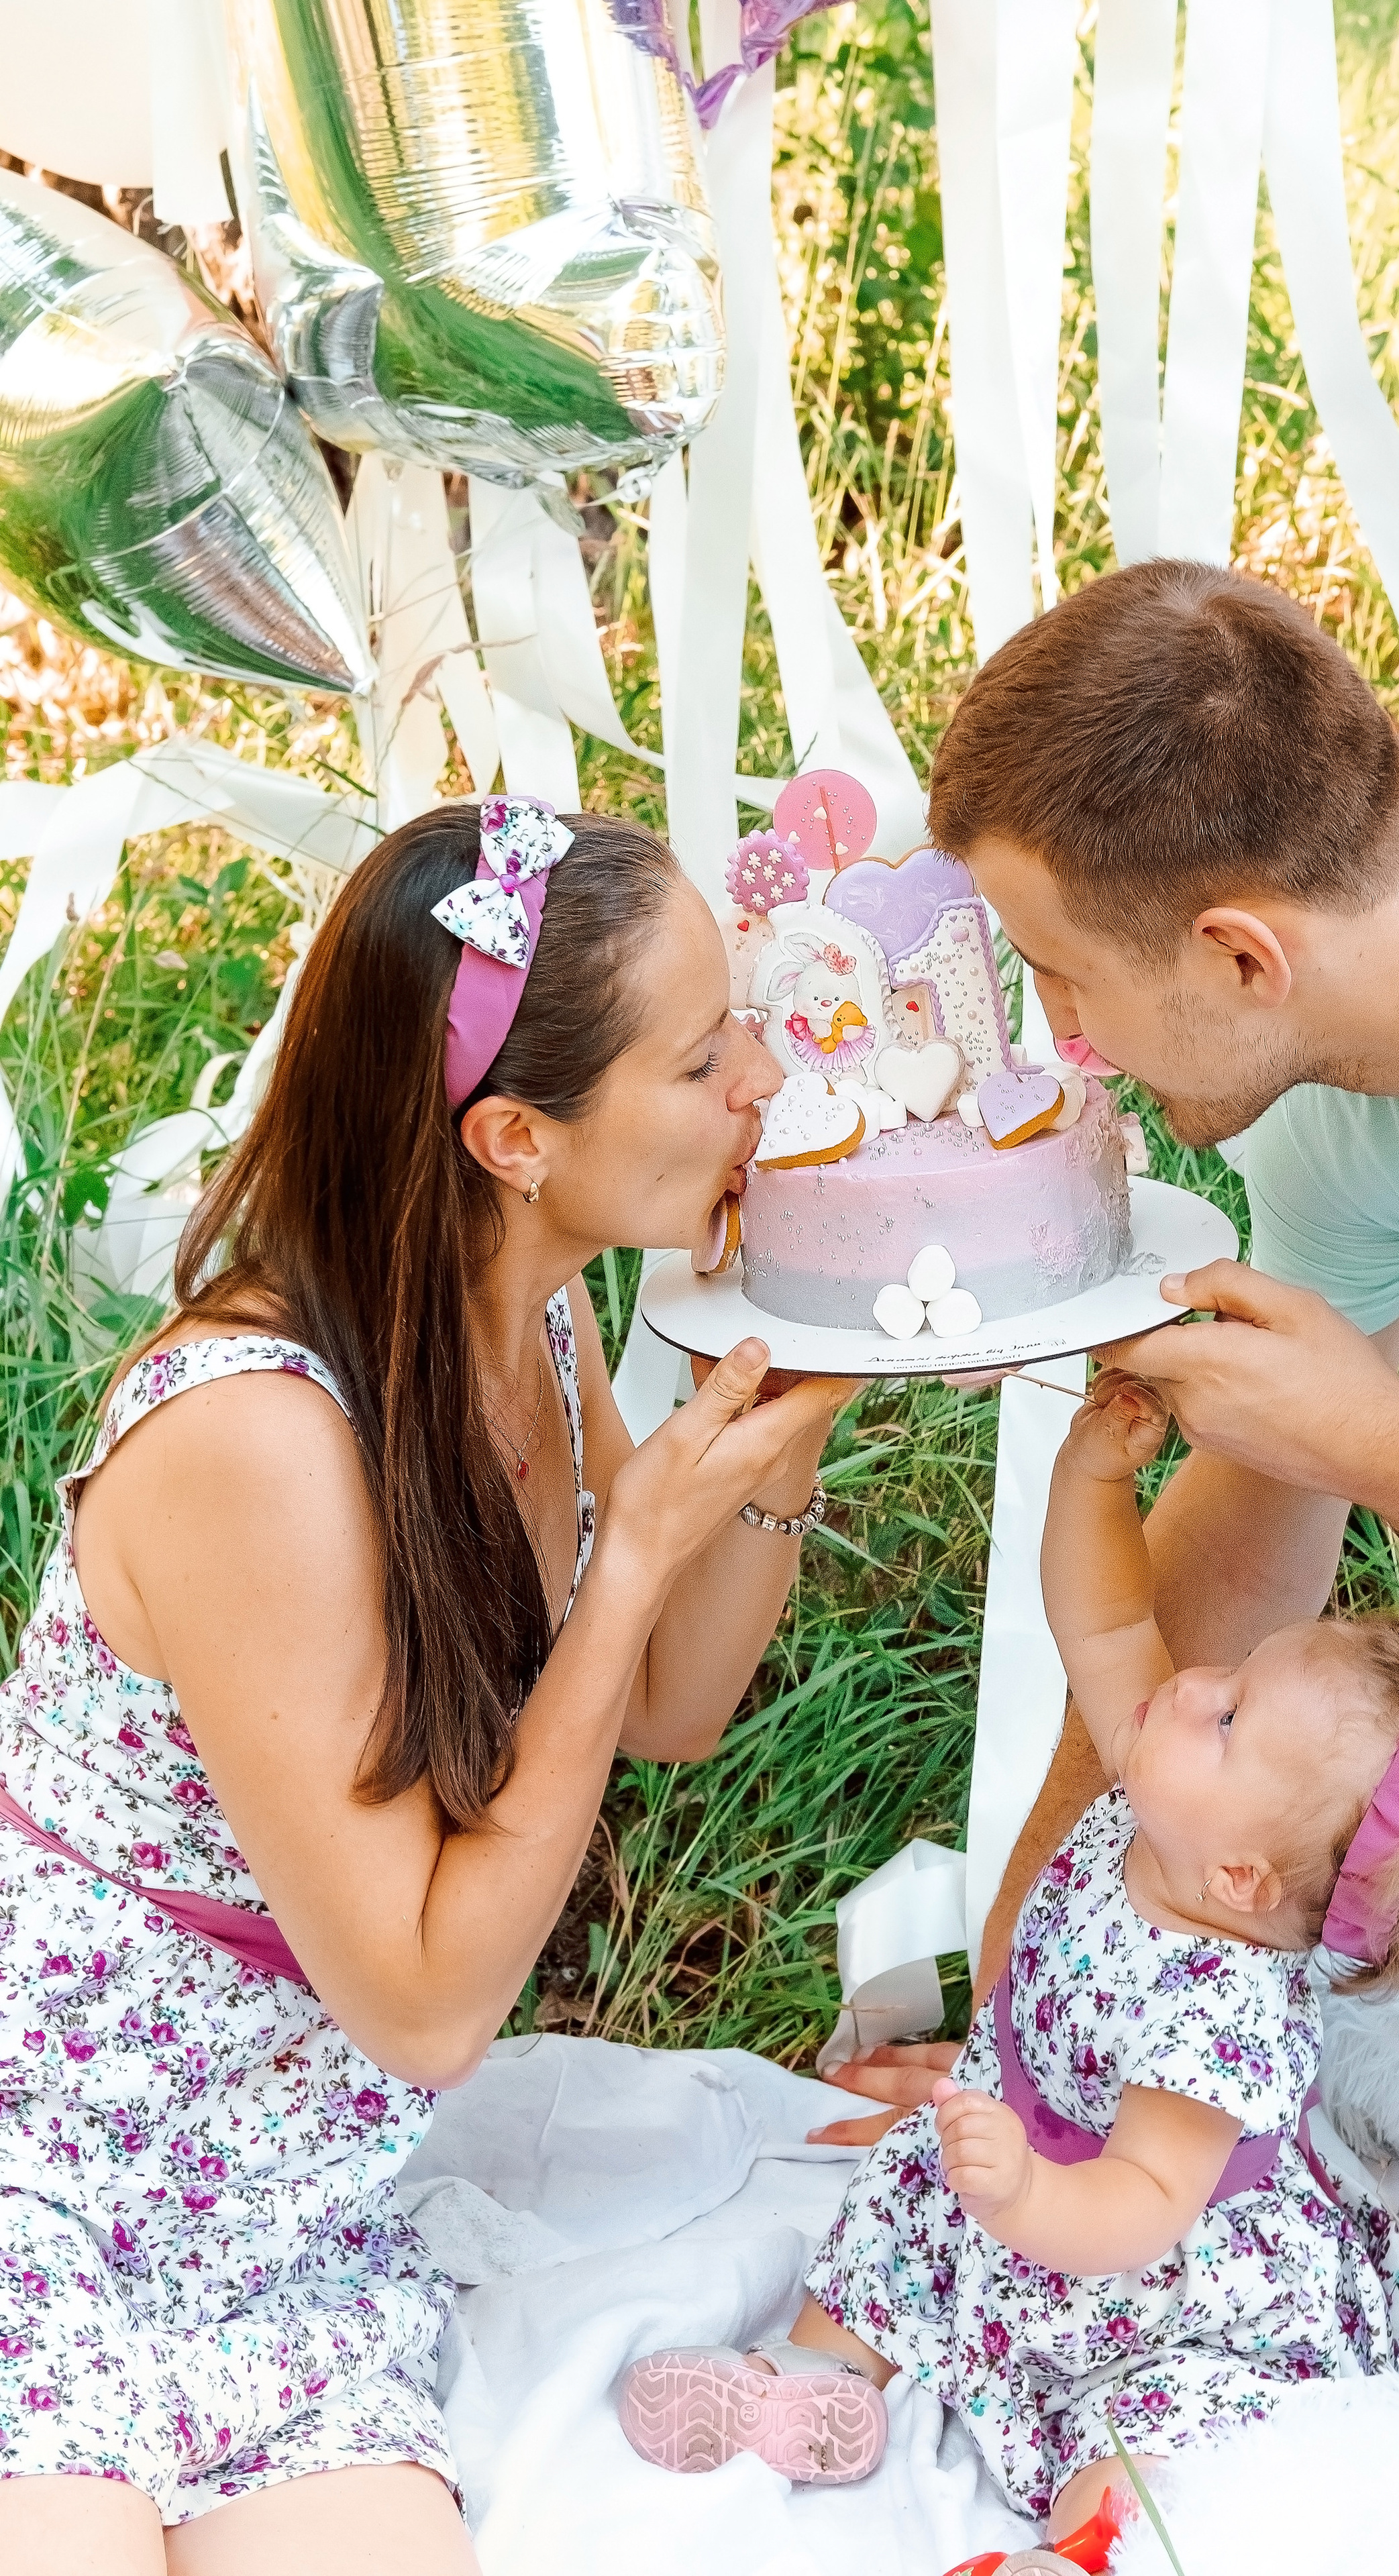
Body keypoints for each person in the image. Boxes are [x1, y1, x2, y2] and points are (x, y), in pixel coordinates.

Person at [0, 796, 854, 2576]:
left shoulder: (521, 1320)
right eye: (704, 1061)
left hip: (280, 2207)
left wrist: (810, 1393)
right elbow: (424, 2006)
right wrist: (625, 1571)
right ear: (518, 1137)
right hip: (53, 2168)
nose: (762, 1080)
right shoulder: (262, 1440)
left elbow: (678, 1702)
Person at [818, 554, 1399, 2143]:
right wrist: (1022, 2053)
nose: (1062, 1038)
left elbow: (1349, 1455)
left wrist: (1381, 1445)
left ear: (1240, 955)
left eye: (1062, 977)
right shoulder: (1339, 1091)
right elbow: (1218, 1588)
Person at [619, 1368, 1399, 2534]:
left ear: (1243, 1879)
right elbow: (1103, 1620)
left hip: (1158, 2292)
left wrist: (1029, 2192)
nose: (1196, 1682)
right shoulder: (1167, 1803)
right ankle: (816, 2382)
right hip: (1022, 2189)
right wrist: (1090, 1473)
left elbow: (1145, 2200)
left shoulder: (1221, 2014)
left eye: (1231, 1715)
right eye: (1235, 1680)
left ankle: (1093, 2545)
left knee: (1161, 2439)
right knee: (897, 2216)